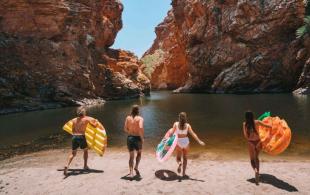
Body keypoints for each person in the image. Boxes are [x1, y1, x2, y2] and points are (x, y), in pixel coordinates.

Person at [167, 112, 205, 177]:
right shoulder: (187, 125)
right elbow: (193, 134)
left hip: (178, 142)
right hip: (186, 142)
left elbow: (171, 134)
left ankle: (179, 163)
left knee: (178, 157)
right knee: (185, 158)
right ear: (185, 118)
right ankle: (184, 173)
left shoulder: (176, 124)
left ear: (179, 117)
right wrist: (199, 141)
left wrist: (167, 140)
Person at [64, 107, 99, 176]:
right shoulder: (86, 120)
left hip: (74, 137)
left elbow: (73, 130)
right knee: (85, 151)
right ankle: (85, 166)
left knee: (73, 153)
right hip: (82, 137)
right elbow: (95, 126)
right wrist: (97, 121)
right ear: (84, 113)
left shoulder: (74, 120)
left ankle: (67, 165)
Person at [243, 111, 272, 185]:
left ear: (246, 117)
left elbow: (246, 136)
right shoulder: (257, 122)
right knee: (256, 158)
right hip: (258, 142)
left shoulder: (244, 124)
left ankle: (255, 171)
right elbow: (268, 126)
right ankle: (258, 173)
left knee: (252, 159)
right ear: (253, 116)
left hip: (251, 142)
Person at [124, 105, 144, 177]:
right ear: (138, 111)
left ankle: (131, 172)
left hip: (129, 138)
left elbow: (125, 129)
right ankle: (136, 167)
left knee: (131, 156)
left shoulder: (128, 118)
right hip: (137, 138)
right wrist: (142, 138)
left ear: (132, 110)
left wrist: (130, 132)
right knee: (139, 153)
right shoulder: (140, 118)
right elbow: (141, 128)